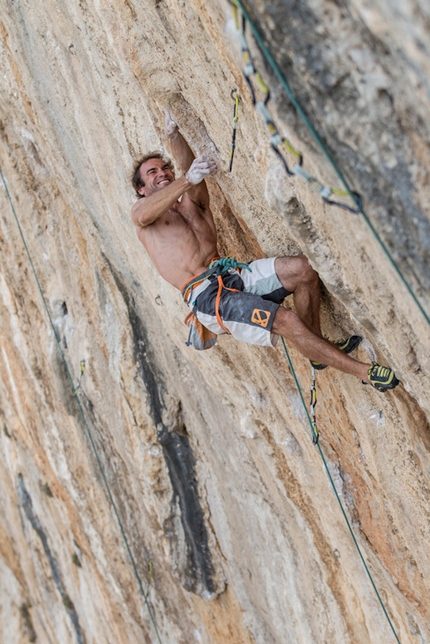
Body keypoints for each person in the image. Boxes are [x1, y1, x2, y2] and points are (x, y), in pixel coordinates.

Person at [131, 109, 399, 392]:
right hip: (209, 299)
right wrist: (184, 180)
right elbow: (145, 214)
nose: (162, 173)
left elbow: (192, 175)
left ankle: (318, 352)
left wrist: (174, 136)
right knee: (285, 320)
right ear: (140, 188)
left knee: (304, 270)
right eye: (153, 172)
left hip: (230, 275)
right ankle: (366, 373)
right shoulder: (143, 215)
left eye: (165, 168)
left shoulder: (191, 206)